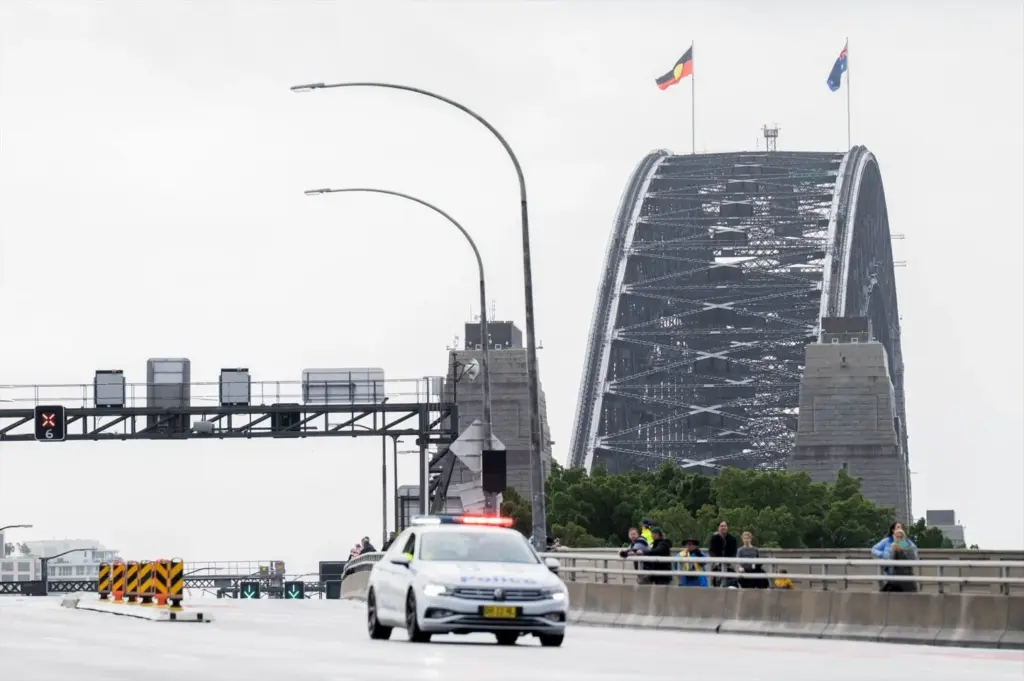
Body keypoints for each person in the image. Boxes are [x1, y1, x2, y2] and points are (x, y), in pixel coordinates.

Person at [708, 520, 738, 587]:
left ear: (727, 527)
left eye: (725, 526)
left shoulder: (732, 539)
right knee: (715, 582)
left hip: (729, 565)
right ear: (718, 528)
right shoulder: (713, 538)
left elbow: (734, 552)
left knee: (733, 582)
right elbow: (711, 551)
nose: (723, 527)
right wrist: (716, 561)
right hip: (717, 564)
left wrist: (730, 562)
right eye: (721, 526)